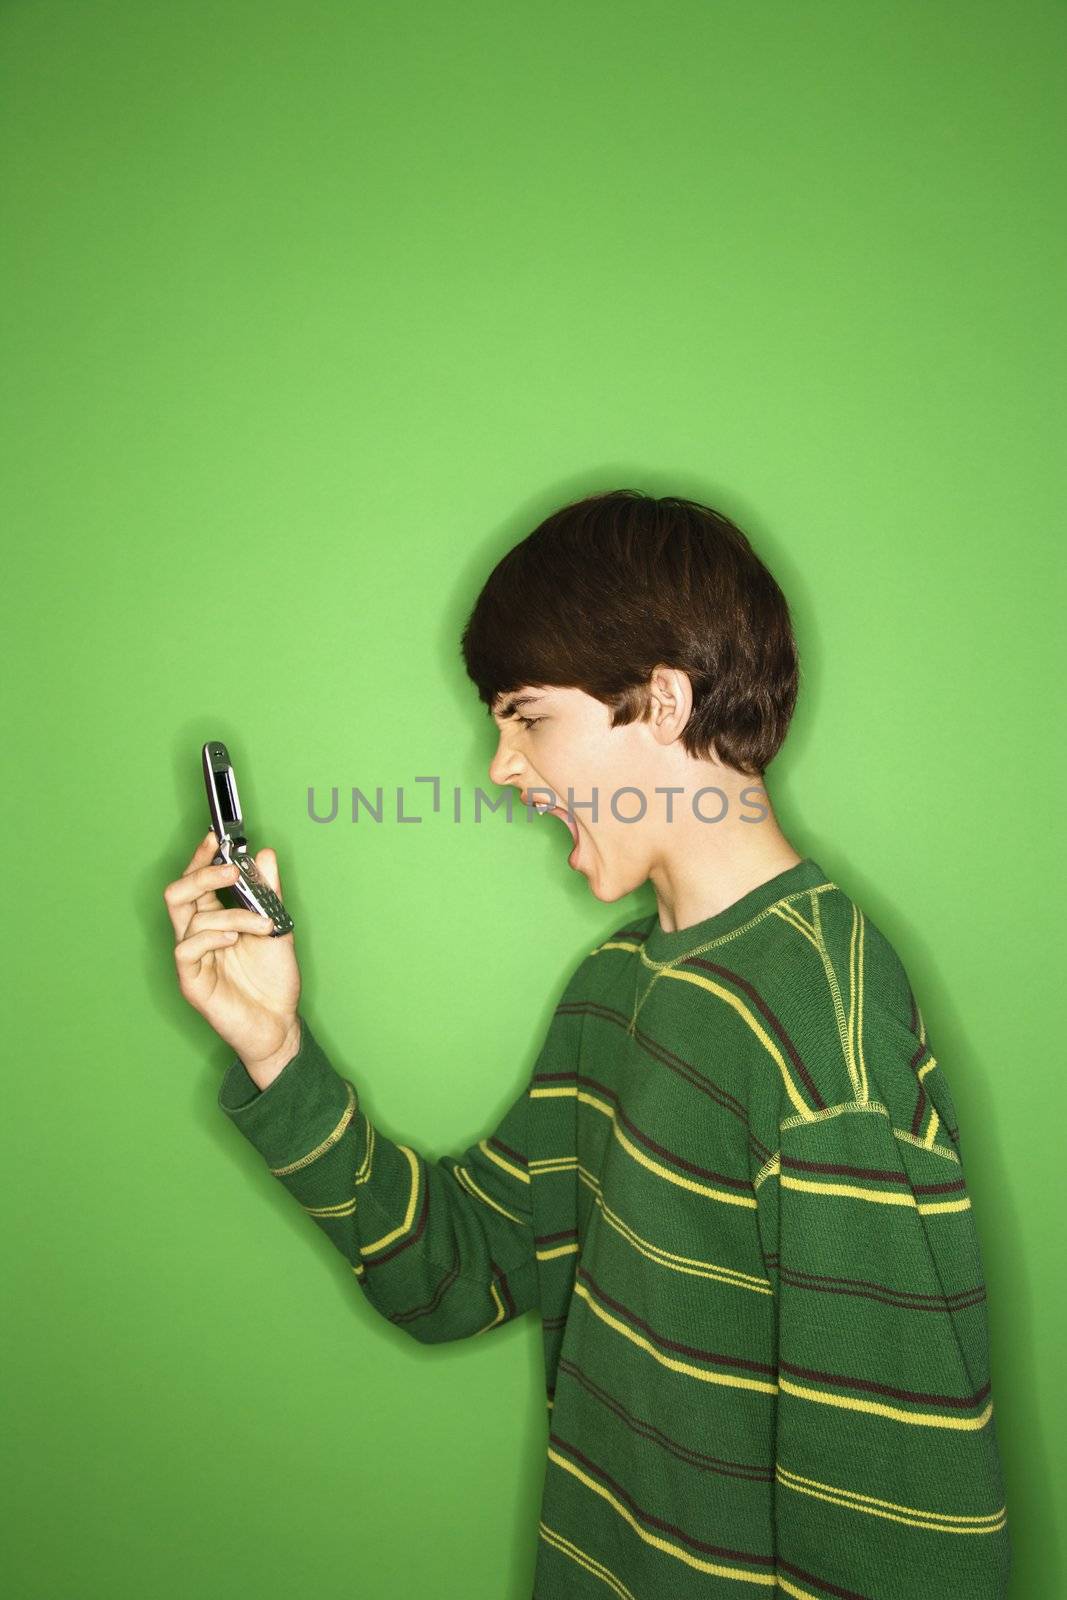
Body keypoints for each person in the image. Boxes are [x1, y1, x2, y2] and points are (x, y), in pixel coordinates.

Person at [164, 489, 1011, 1598]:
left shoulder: (818, 1024)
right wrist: (275, 1049)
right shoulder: (618, 984)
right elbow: (457, 1275)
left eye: (526, 716)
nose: (499, 766)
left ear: (660, 701)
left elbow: (909, 1533)